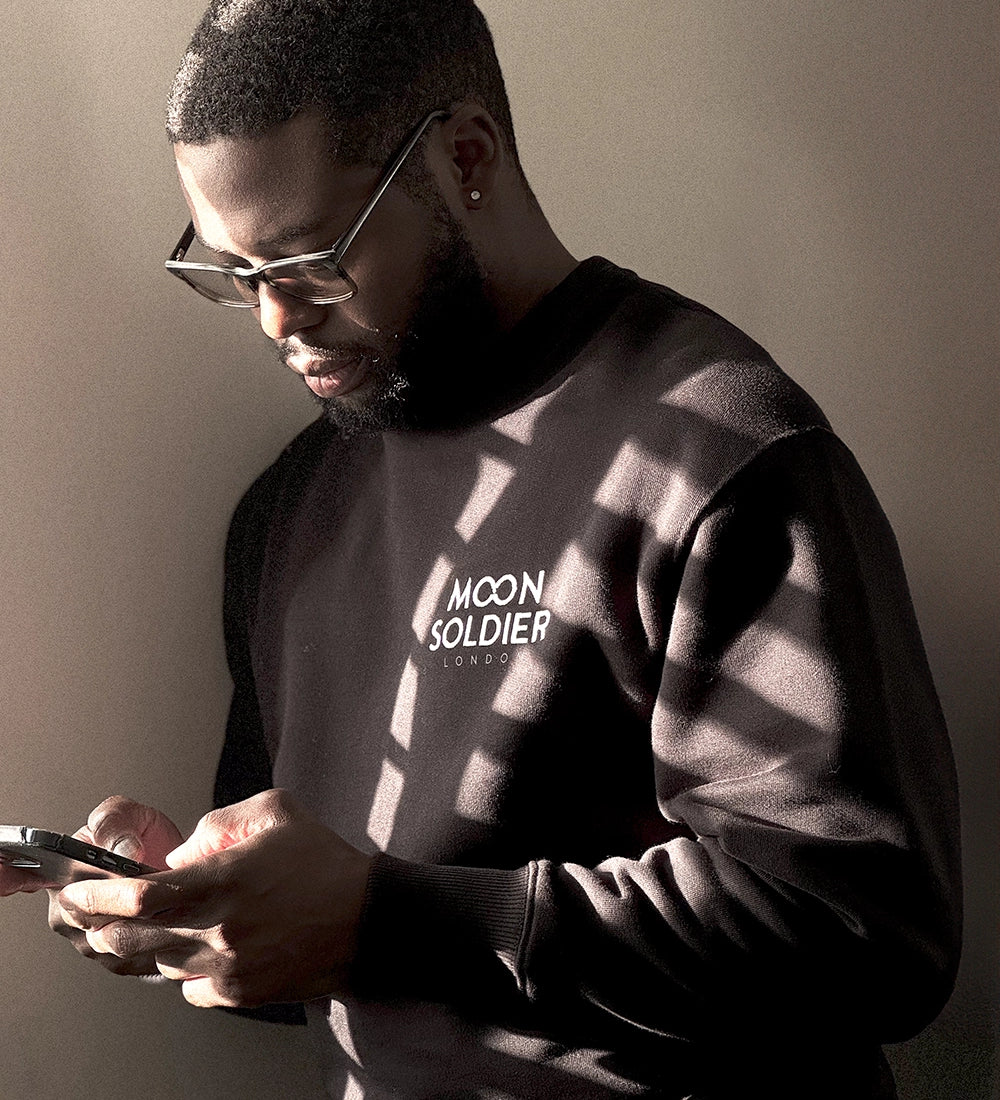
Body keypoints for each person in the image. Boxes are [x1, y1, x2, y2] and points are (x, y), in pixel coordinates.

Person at [1, 2, 961, 1097]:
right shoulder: (291, 509)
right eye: (234, 273)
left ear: (465, 158)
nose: (275, 320)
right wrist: (188, 898)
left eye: (309, 259)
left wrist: (383, 916)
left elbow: (867, 937)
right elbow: (323, 951)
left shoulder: (715, 448)